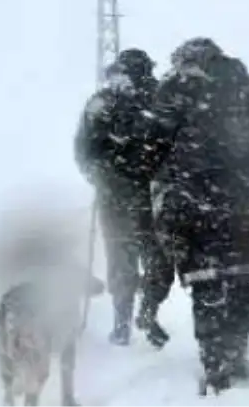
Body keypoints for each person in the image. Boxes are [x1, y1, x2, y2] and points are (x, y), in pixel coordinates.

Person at [145, 37, 249, 393]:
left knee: (206, 279)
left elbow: (152, 142)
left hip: (193, 205)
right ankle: (236, 350)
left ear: (183, 59)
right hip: (244, 204)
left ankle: (215, 363)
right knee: (243, 275)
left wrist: (166, 177)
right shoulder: (243, 84)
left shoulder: (175, 86)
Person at [73, 48, 173, 348]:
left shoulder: (103, 102)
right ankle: (143, 314)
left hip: (122, 195)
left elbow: (84, 153)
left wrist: (102, 177)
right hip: (146, 194)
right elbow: (86, 152)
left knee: (124, 258)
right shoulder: (156, 100)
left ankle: (127, 322)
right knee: (155, 257)